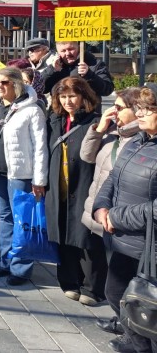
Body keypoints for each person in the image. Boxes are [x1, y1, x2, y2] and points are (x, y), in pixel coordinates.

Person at [0, 67, 48, 286]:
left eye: (5, 82)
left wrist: (39, 179)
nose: (0, 86)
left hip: (21, 174)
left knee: (22, 220)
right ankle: (5, 261)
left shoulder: (32, 110)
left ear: (16, 84)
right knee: (5, 218)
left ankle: (21, 269)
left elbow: (40, 147)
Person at [93, 84, 157, 353]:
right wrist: (101, 206)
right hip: (121, 238)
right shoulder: (137, 140)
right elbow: (113, 178)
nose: (140, 114)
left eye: (148, 109)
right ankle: (136, 342)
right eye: (139, 108)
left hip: (149, 245)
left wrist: (117, 217)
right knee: (117, 293)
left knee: (149, 304)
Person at [80, 88, 140, 340]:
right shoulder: (112, 134)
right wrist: (99, 129)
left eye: (119, 107)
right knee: (112, 275)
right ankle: (123, 321)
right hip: (100, 211)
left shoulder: (138, 141)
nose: (113, 111)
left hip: (120, 218)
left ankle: (132, 328)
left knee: (122, 279)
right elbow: (86, 155)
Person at [45, 77, 106, 306]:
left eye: (72, 96)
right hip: (58, 183)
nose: (68, 101)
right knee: (62, 232)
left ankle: (93, 287)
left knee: (86, 236)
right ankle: (69, 281)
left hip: (83, 184)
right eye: (63, 96)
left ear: (83, 96)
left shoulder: (95, 121)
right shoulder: (55, 120)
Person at [42, 41, 114, 101]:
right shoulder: (54, 66)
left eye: (71, 49)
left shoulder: (94, 64)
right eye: (63, 51)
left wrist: (89, 75)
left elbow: (107, 89)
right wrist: (51, 70)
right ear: (58, 52)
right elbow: (40, 88)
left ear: (79, 48)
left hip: (87, 115)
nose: (67, 53)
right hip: (58, 115)